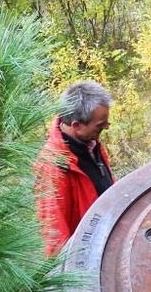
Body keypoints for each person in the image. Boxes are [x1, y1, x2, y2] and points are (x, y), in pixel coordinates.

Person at [35, 81, 115, 255]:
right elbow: (53, 230)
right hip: (89, 255)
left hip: (110, 238)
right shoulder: (53, 165)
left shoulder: (90, 144)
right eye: (100, 125)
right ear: (76, 126)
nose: (105, 128)